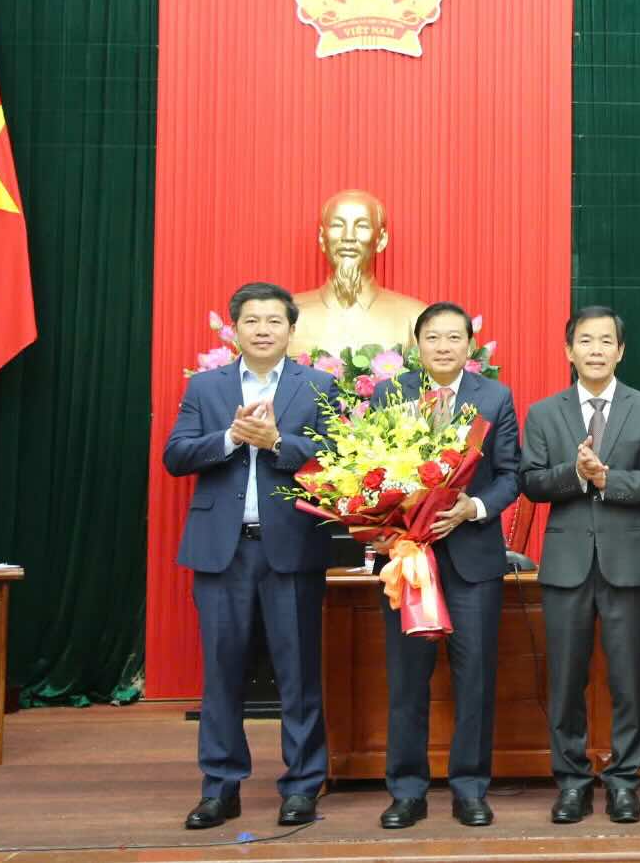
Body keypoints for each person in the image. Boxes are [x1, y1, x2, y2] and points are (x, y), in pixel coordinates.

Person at [164, 282, 337, 830]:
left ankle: (303, 786)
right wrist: (234, 439)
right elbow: (175, 455)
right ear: (234, 329)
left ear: (291, 329)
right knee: (221, 673)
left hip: (291, 550)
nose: (263, 329)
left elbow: (335, 459)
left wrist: (277, 443)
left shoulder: (321, 386)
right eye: (252, 321)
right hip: (224, 553)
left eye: (274, 321)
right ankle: (220, 787)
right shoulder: (206, 388)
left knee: (299, 675)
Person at [521, 306, 640, 825]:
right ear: (568, 350)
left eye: (605, 341)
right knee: (565, 680)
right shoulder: (544, 413)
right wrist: (576, 474)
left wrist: (608, 480)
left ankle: (624, 781)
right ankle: (572, 781)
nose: (595, 349)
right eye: (585, 341)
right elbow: (532, 482)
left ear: (620, 350)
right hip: (565, 566)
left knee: (629, 680)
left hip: (628, 565)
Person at [372, 302, 521, 829]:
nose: (443, 346)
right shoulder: (391, 394)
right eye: (432, 337)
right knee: (407, 682)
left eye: (453, 337)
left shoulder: (494, 398)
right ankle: (407, 791)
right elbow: (370, 468)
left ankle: (469, 788)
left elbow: (510, 475)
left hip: (472, 561)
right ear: (417, 344)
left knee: (473, 678)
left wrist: (472, 508)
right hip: (409, 558)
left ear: (469, 346)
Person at [290, 189, 427, 355]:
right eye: (337, 225)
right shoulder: (285, 316)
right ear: (321, 237)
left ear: (381, 239)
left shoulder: (415, 319)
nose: (348, 236)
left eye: (362, 226)